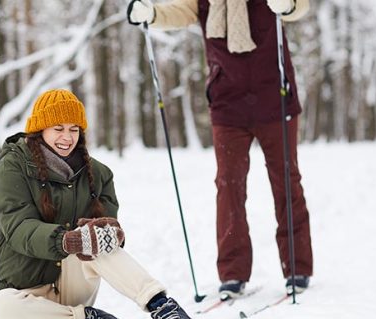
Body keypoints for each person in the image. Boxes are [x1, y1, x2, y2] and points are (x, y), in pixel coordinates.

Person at [126, 0, 314, 297]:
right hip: (227, 104)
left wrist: (287, 5)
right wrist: (151, 14)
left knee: (285, 180)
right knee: (228, 187)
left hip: (275, 99)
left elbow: (300, 6)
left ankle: (298, 267)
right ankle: (233, 273)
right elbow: (179, 12)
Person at [0, 89, 198, 319]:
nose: (67, 137)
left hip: (71, 287)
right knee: (0, 308)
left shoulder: (98, 174)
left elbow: (106, 235)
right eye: (58, 128)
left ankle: (160, 305)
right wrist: (67, 240)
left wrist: (110, 233)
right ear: (40, 129)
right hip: (27, 298)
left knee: (97, 240)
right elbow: (18, 227)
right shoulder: (13, 167)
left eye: (74, 129)